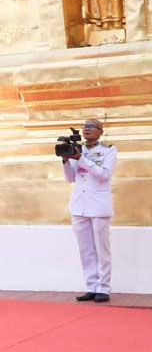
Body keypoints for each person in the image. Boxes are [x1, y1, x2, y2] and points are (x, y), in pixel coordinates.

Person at [64, 118, 117, 303]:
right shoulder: (79, 149)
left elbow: (104, 175)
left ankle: (104, 288)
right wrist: (65, 160)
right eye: (84, 127)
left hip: (99, 206)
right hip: (79, 205)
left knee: (102, 249)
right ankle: (91, 286)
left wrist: (81, 159)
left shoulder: (108, 150)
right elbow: (70, 178)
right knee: (85, 250)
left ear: (100, 131)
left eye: (91, 127)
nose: (86, 130)